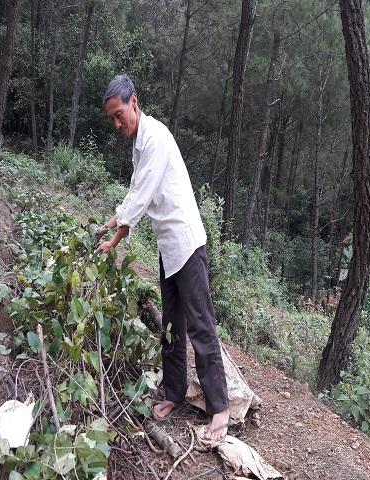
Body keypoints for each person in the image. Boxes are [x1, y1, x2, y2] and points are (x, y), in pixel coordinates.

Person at [96, 74, 230, 441]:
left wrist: (115, 231)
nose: (117, 123)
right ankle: (174, 392)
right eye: (112, 118)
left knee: (200, 325)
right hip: (168, 247)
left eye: (120, 114)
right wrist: (112, 228)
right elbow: (137, 192)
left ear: (134, 102)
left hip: (186, 244)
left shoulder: (155, 138)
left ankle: (220, 408)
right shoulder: (139, 145)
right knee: (171, 324)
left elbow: (139, 199)